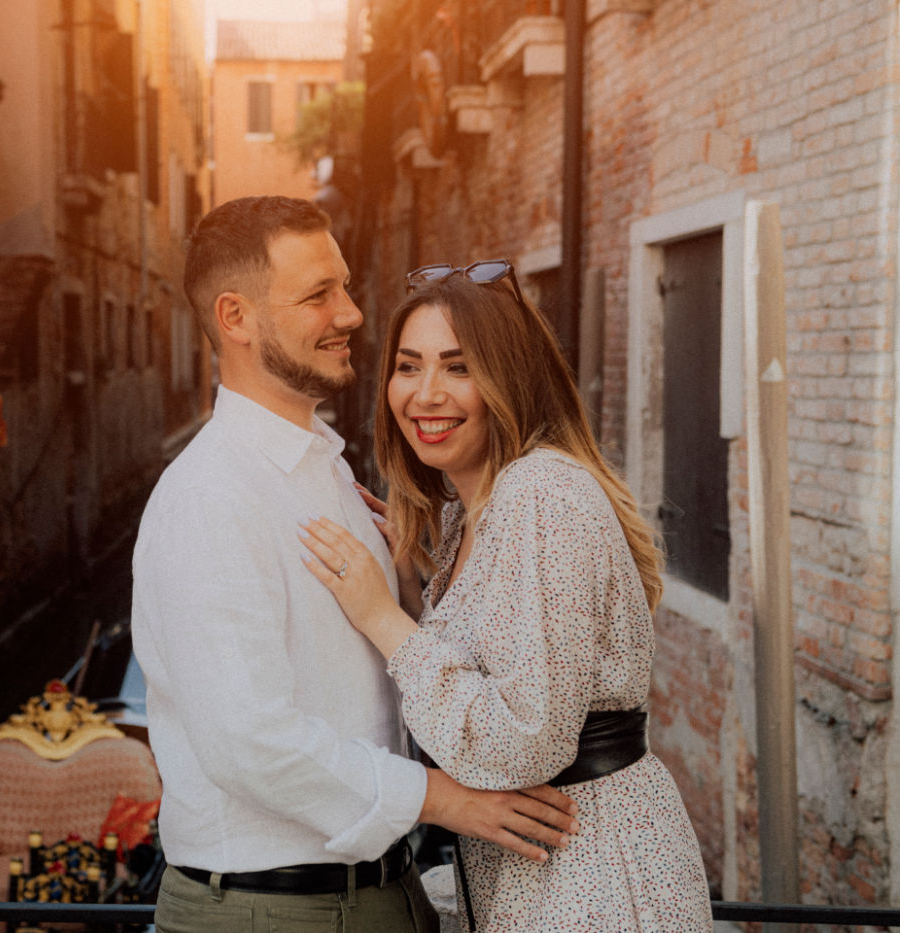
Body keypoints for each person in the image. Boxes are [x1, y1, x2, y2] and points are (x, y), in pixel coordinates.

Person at [131, 199, 582, 933]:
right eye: (318, 295)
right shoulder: (209, 497)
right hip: (271, 911)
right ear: (235, 317)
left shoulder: (330, 472)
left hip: (372, 893)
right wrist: (446, 799)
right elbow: (249, 742)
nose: (351, 314)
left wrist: (415, 586)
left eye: (343, 286)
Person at [299, 263, 714, 932]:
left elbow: (526, 741)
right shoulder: (475, 515)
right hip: (550, 869)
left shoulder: (540, 495)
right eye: (408, 366)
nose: (425, 394)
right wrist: (415, 589)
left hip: (592, 873)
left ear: (510, 378)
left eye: (458, 367)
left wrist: (383, 618)